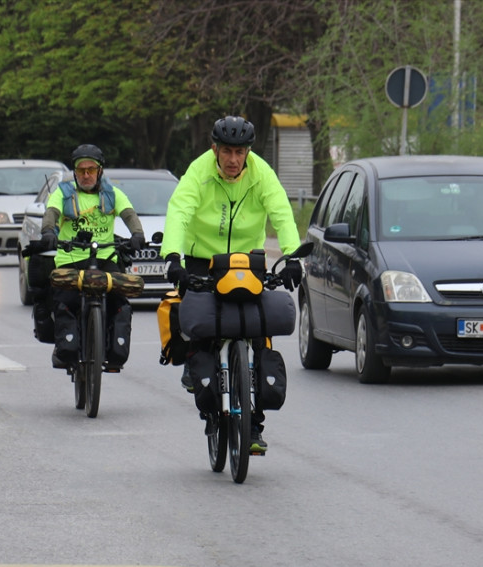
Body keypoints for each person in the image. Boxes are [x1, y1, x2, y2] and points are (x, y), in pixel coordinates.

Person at [159, 115, 302, 453]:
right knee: (199, 321)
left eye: (240, 152)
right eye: (227, 152)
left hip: (246, 261)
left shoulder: (261, 173)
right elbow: (179, 211)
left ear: (248, 152)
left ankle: (253, 427)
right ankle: (197, 368)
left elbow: (281, 212)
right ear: (215, 149)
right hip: (202, 259)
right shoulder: (199, 171)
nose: (234, 160)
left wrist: (293, 255)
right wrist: (173, 257)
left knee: (256, 334)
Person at [33, 144, 145, 369]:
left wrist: (137, 234)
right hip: (70, 259)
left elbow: (129, 215)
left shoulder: (113, 194)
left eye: (91, 170)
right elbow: (51, 214)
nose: (86, 175)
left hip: (105, 259)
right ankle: (64, 348)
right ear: (74, 172)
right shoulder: (63, 193)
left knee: (120, 302)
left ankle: (114, 352)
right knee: (64, 300)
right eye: (81, 170)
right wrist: (48, 231)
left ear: (100, 171)